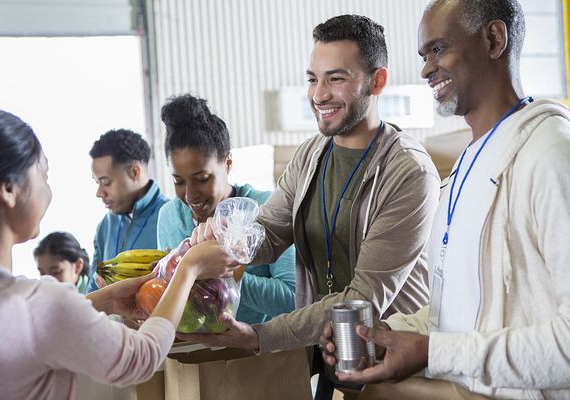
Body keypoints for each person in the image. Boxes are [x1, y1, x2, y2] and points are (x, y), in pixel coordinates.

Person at [320, 1, 570, 398]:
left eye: (439, 50)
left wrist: (433, 352)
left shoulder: (551, 156)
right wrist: (390, 334)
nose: (425, 69)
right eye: (423, 56)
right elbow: (457, 313)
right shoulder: (466, 165)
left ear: (494, 40)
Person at [180, 14, 441, 398]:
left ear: (377, 81)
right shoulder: (311, 155)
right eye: (312, 79)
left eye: (335, 78)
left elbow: (362, 298)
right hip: (330, 357)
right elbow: (267, 233)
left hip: (391, 368)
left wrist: (260, 336)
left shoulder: (408, 173)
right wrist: (221, 242)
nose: (319, 94)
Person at [0, 107, 237, 400]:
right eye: (44, 174)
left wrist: (106, 301)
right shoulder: (37, 303)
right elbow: (142, 357)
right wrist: (189, 268)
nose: (48, 190)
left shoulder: (0, 302)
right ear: (8, 190)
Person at [157, 93, 296, 324]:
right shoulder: (169, 217)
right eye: (178, 182)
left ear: (228, 163)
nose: (190, 194)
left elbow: (292, 299)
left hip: (259, 353)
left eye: (202, 179)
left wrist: (229, 271)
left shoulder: (265, 208)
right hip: (193, 353)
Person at [88, 129, 169, 292]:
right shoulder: (105, 226)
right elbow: (92, 289)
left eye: (106, 182)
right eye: (97, 182)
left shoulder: (171, 217)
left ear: (134, 172)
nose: (99, 193)